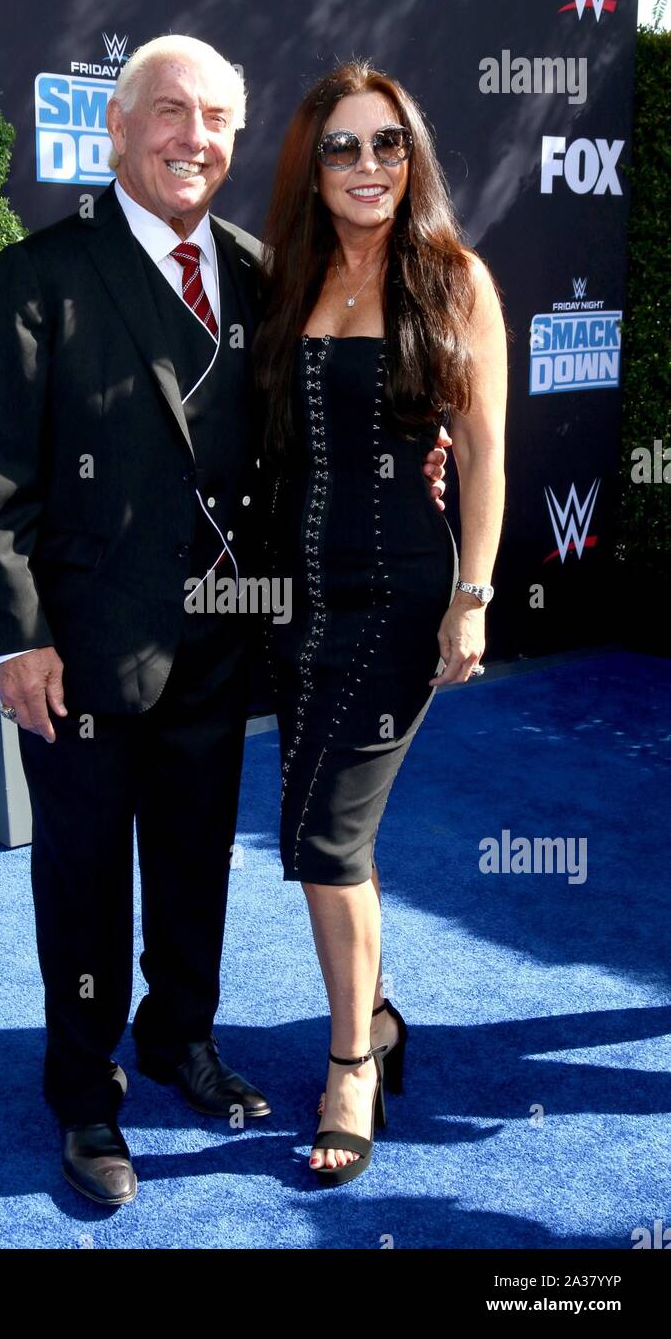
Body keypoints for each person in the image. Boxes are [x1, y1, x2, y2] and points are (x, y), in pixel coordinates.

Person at [0, 36, 448, 1208]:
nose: (194, 138)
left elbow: (325, 428)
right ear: (114, 132)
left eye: (217, 120)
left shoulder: (261, 273)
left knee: (191, 864)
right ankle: (83, 1089)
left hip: (222, 638)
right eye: (168, 112)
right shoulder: (41, 277)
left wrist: (411, 463)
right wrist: (17, 642)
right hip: (78, 654)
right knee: (81, 882)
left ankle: (179, 1038)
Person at [254, 61, 507, 1186]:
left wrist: (473, 595)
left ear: (414, 159)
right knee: (311, 832)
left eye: (388, 145)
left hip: (403, 594)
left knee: (325, 837)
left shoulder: (452, 279)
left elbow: (486, 448)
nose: (369, 167)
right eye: (345, 147)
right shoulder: (287, 273)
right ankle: (381, 1020)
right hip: (295, 597)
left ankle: (352, 1060)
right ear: (312, 167)